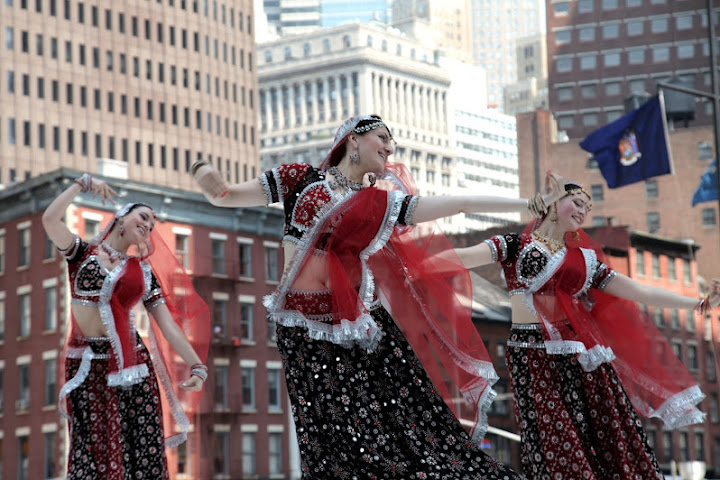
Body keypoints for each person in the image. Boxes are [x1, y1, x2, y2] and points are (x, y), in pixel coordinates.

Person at [192, 115, 564, 478]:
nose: (390, 147)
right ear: (353, 139)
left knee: (405, 422)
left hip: (362, 328)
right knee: (330, 435)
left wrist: (526, 205)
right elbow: (223, 195)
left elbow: (457, 203)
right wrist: (203, 172)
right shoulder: (299, 179)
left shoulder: (380, 203)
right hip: (304, 330)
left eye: (392, 143)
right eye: (383, 138)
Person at [452, 180, 720, 479]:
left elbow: (639, 291)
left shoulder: (585, 261)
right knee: (553, 437)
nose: (583, 211)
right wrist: (408, 264)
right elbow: (460, 259)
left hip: (583, 360)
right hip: (531, 357)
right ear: (554, 202)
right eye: (577, 202)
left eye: (587, 207)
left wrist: (698, 303)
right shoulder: (513, 244)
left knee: (604, 437)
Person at [42, 174, 211, 479]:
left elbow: (169, 326)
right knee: (90, 451)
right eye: (143, 217)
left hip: (132, 368)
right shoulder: (81, 254)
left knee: (138, 451)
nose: (148, 225)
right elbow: (50, 219)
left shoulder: (142, 273)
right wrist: (82, 184)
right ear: (121, 218)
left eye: (152, 224)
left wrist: (197, 367)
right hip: (87, 367)